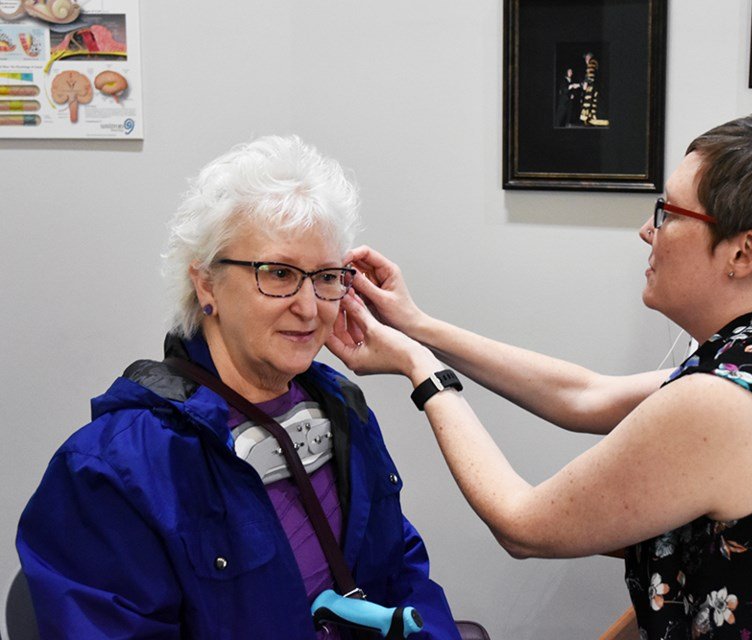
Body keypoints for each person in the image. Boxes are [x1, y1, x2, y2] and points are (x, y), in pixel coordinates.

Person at [326, 115, 752, 639]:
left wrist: (420, 369)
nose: (647, 232)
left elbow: (522, 524)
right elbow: (583, 395)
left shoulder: (724, 403)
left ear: (743, 252)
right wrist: (420, 325)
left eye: (668, 213)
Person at [16, 136, 459, 639]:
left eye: (327, 277)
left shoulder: (341, 408)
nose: (310, 308)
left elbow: (400, 574)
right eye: (278, 273)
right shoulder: (114, 469)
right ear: (206, 285)